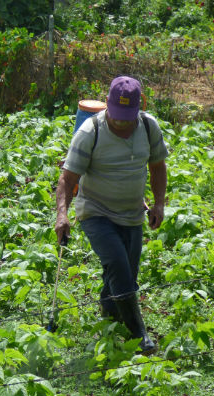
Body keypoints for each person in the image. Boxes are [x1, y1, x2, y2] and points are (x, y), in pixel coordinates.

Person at [54, 76, 168, 354]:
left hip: (131, 213)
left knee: (126, 270)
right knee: (118, 265)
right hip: (96, 211)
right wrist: (62, 215)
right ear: (107, 104)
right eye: (117, 116)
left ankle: (109, 314)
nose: (121, 123)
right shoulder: (90, 131)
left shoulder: (149, 127)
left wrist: (159, 204)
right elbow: (68, 180)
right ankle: (139, 334)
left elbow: (157, 167)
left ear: (139, 108)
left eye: (127, 117)